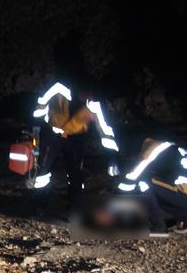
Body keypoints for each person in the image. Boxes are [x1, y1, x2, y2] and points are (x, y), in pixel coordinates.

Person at [30, 80, 120, 217]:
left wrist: (113, 157)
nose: (88, 100)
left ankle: (74, 211)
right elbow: (39, 107)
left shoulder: (94, 104)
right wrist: (35, 131)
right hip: (52, 134)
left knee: (76, 175)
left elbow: (105, 130)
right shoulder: (58, 88)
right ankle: (39, 205)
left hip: (75, 138)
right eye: (86, 96)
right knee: (42, 171)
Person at [115, 137, 187, 237]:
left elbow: (133, 176)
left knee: (143, 183)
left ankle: (158, 227)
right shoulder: (168, 147)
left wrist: (117, 198)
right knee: (153, 191)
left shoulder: (152, 149)